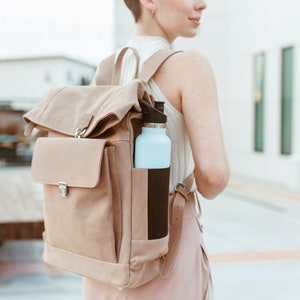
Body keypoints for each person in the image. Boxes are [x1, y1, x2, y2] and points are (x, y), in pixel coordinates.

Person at [84, 0, 230, 299]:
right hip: (165, 250)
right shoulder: (189, 66)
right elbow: (213, 177)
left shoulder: (104, 70)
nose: (202, 4)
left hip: (104, 255)